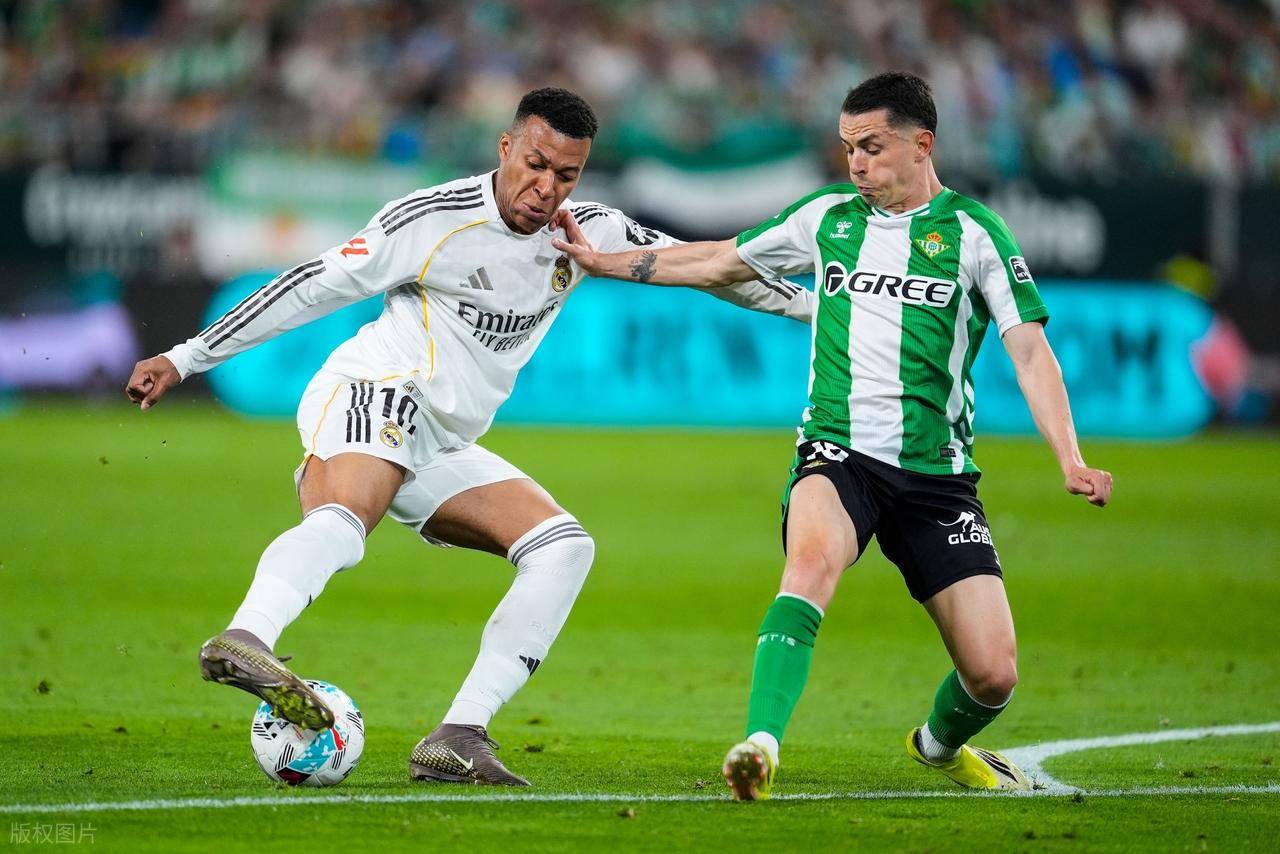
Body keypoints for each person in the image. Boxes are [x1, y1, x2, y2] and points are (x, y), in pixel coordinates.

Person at [125, 87, 812, 787]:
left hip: (439, 441)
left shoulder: (588, 231)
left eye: (566, 174)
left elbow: (709, 268)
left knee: (563, 549)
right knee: (345, 521)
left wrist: (818, 307)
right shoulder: (432, 219)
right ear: (505, 148)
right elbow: (311, 285)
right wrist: (187, 356)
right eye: (536, 165)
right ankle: (246, 637)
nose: (547, 188)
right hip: (374, 389)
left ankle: (458, 734)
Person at [551, 71, 1113, 800]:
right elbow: (717, 259)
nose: (856, 164)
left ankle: (937, 746)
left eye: (872, 147)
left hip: (937, 478)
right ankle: (759, 747)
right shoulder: (828, 219)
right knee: (811, 565)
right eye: (848, 148)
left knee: (993, 675)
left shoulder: (975, 234)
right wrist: (603, 264)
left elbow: (1030, 351)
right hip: (838, 451)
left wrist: (1070, 457)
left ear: (922, 144)